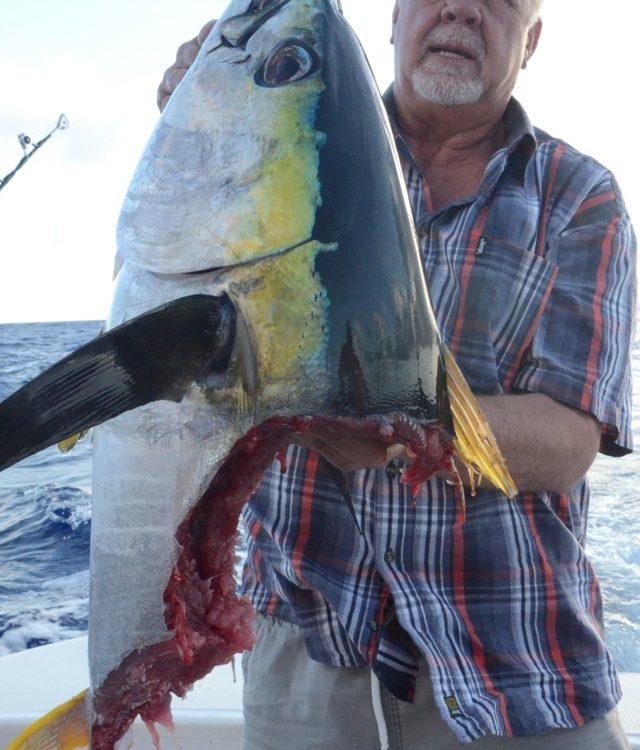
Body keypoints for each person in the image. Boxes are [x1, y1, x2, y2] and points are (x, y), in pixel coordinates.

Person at [157, 1, 637, 747]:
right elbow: (183, 305)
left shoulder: (581, 197)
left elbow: (567, 440)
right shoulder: (271, 137)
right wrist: (202, 123)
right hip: (304, 663)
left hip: (522, 667)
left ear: (532, 40)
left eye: (502, 0)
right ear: (392, 17)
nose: (460, 8)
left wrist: (391, 430)